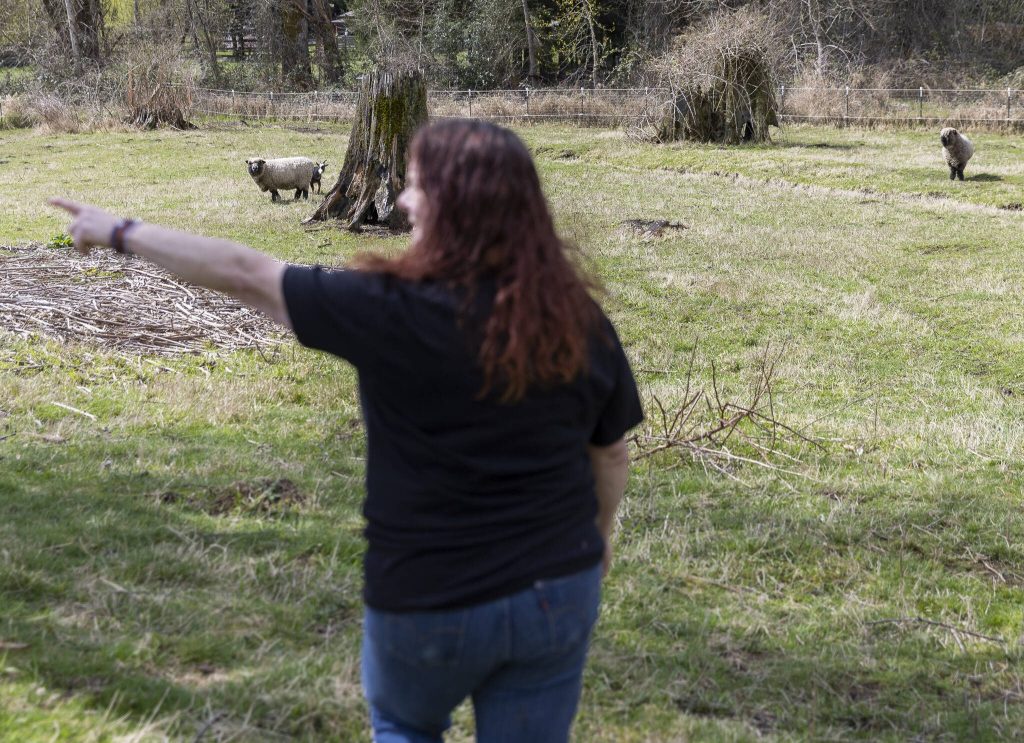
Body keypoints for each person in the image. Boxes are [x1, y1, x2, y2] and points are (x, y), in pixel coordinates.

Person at [50, 118, 644, 743]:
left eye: (416, 186)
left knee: (404, 728)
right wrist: (599, 539)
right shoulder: (578, 318)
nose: (403, 201)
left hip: (427, 597)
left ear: (449, 203)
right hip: (558, 588)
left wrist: (120, 231)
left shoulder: (386, 307)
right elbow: (610, 456)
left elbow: (246, 272)